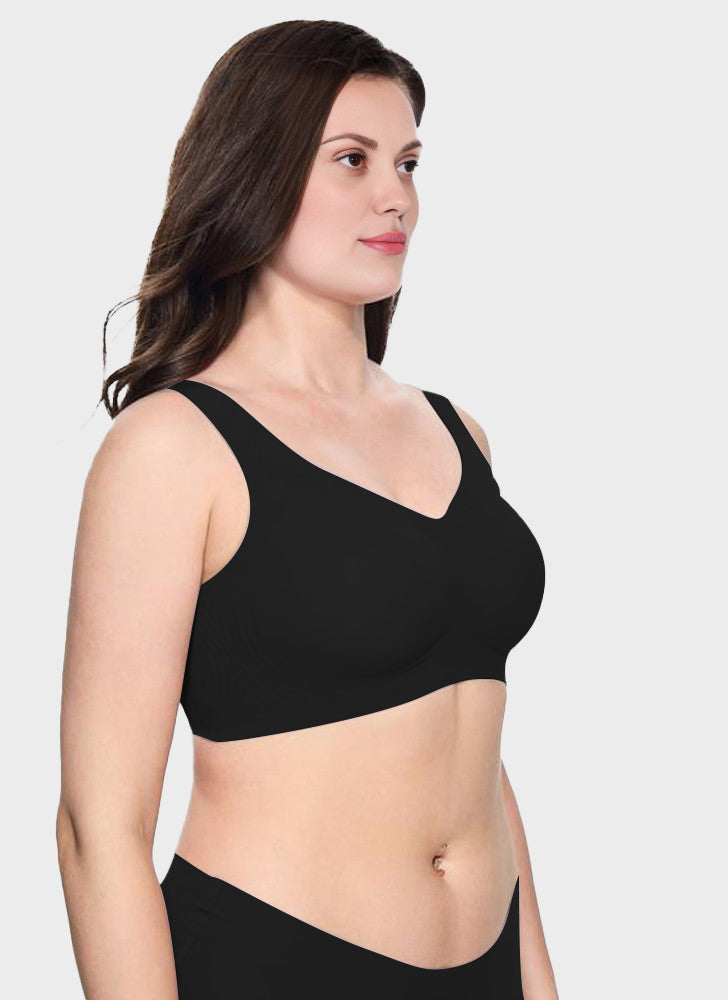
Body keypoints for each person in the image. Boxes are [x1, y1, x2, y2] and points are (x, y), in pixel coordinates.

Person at [56, 19, 559, 999]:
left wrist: (536, 980)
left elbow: (469, 752)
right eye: (352, 160)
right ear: (256, 174)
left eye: (408, 163)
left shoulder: (455, 431)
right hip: (275, 959)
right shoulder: (173, 446)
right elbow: (97, 828)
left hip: (486, 958)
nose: (396, 196)